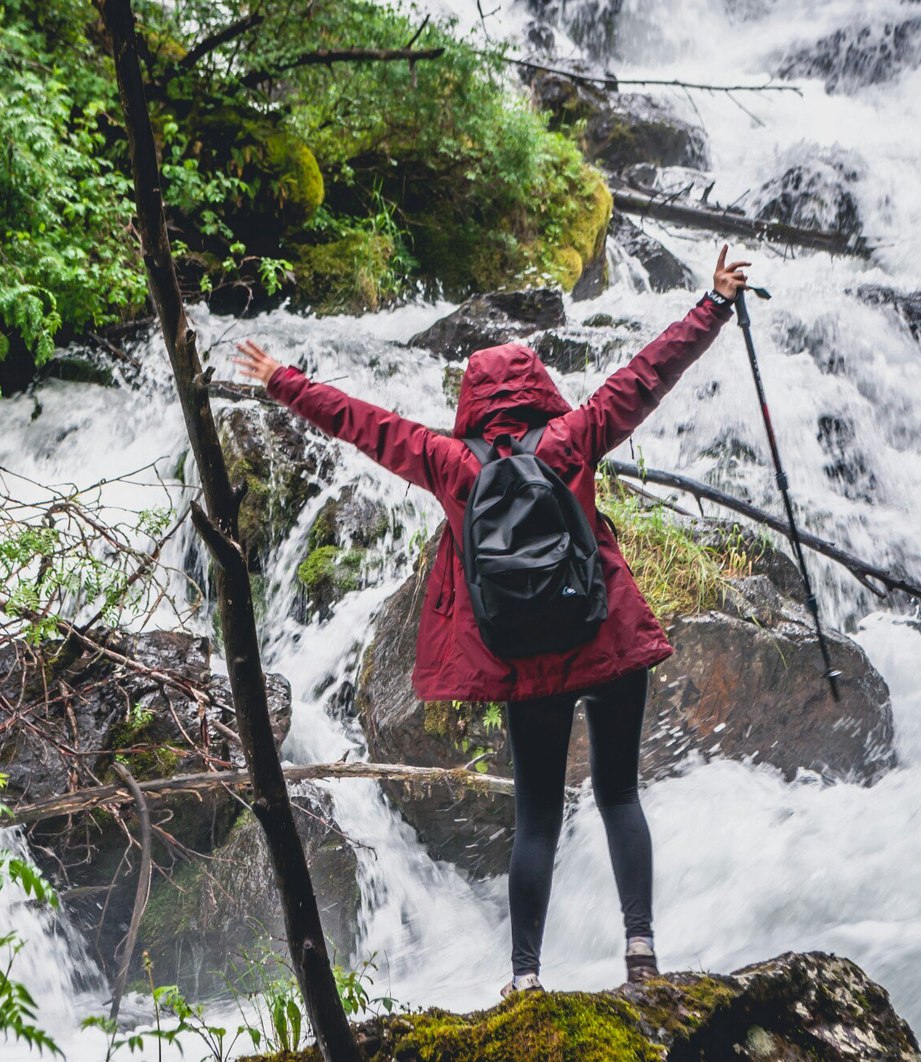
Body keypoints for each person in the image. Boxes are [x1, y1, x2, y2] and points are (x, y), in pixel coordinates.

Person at [233, 245, 752, 998]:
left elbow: (362, 424)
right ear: (539, 387)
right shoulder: (573, 436)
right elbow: (649, 373)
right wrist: (714, 303)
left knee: (536, 821)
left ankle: (526, 979)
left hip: (526, 664)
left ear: (472, 401)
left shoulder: (450, 463)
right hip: (605, 642)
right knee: (618, 797)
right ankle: (641, 954)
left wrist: (284, 382)